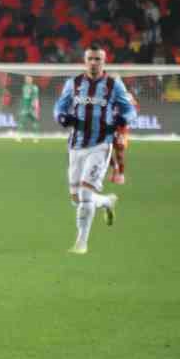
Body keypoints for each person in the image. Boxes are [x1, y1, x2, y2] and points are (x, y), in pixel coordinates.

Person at [54, 47, 132, 255]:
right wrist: (61, 116)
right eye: (90, 58)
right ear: (85, 60)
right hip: (76, 145)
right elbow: (59, 107)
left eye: (98, 59)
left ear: (104, 61)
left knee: (85, 194)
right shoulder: (73, 84)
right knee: (76, 198)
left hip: (101, 144)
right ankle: (106, 201)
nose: (94, 62)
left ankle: (81, 243)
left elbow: (130, 110)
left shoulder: (113, 85)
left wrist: (124, 118)